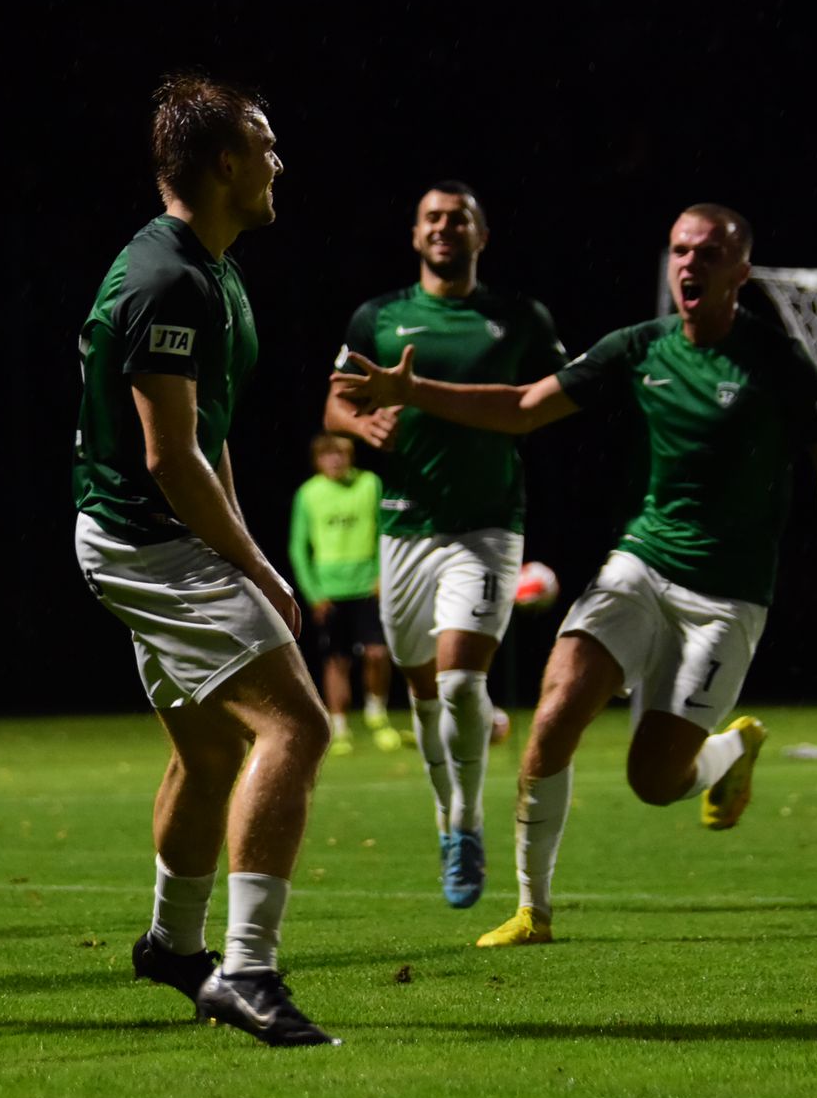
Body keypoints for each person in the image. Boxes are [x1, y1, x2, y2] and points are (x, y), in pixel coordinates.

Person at [333, 204, 817, 947]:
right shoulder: (638, 348)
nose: (688, 266)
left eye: (708, 254)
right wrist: (413, 393)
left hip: (728, 599)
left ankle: (730, 750)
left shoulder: (777, 362)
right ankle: (532, 911)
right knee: (554, 714)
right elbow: (521, 408)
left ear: (741, 271)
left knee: (654, 781)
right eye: (679, 251)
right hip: (641, 564)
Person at [73, 75, 338, 1047]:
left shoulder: (210, 268)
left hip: (157, 533)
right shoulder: (165, 278)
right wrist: (257, 566)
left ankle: (171, 943)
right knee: (296, 728)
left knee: (211, 748)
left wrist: (239, 546)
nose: (277, 163)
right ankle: (248, 970)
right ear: (223, 162)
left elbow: (204, 430)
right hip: (149, 540)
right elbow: (167, 457)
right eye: (264, 146)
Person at [322, 182, 564, 909]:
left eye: (459, 218)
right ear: (415, 233)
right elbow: (338, 396)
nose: (444, 227)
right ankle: (445, 811)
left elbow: (549, 398)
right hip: (402, 527)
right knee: (424, 695)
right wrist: (359, 427)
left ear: (481, 235)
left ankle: (466, 823)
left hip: (487, 527)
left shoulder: (518, 318)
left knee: (462, 683)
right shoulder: (381, 316)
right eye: (432, 217)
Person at [288, 433, 400, 756]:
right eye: (328, 455)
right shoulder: (308, 494)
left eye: (340, 454)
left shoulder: (370, 484)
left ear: (350, 456)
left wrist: (383, 575)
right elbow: (298, 547)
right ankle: (338, 727)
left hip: (368, 586)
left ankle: (376, 714)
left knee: (377, 653)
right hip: (329, 591)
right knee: (336, 660)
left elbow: (385, 531)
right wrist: (312, 593)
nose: (335, 460)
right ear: (318, 461)